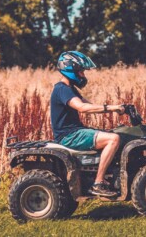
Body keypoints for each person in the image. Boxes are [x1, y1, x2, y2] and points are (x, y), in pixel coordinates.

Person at [50, 51, 125, 197]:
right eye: (81, 71)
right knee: (113, 139)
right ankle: (98, 183)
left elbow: (89, 105)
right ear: (70, 70)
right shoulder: (62, 89)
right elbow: (82, 108)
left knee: (113, 133)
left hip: (75, 132)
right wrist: (111, 108)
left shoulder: (70, 89)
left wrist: (115, 108)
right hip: (69, 136)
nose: (83, 75)